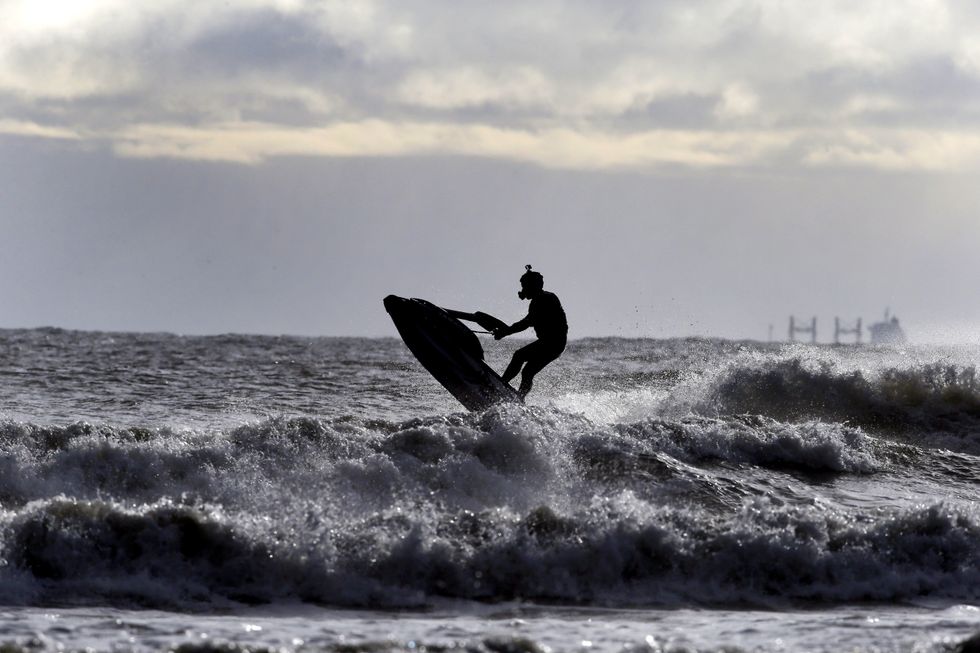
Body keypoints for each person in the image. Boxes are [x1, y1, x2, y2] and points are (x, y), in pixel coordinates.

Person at [493, 265, 567, 399]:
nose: (522, 290)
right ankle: (520, 398)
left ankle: (501, 384)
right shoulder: (538, 299)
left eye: (524, 287)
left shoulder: (544, 299)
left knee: (519, 356)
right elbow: (526, 322)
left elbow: (525, 323)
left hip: (552, 343)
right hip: (554, 344)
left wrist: (504, 332)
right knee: (528, 371)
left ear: (533, 286)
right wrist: (506, 331)